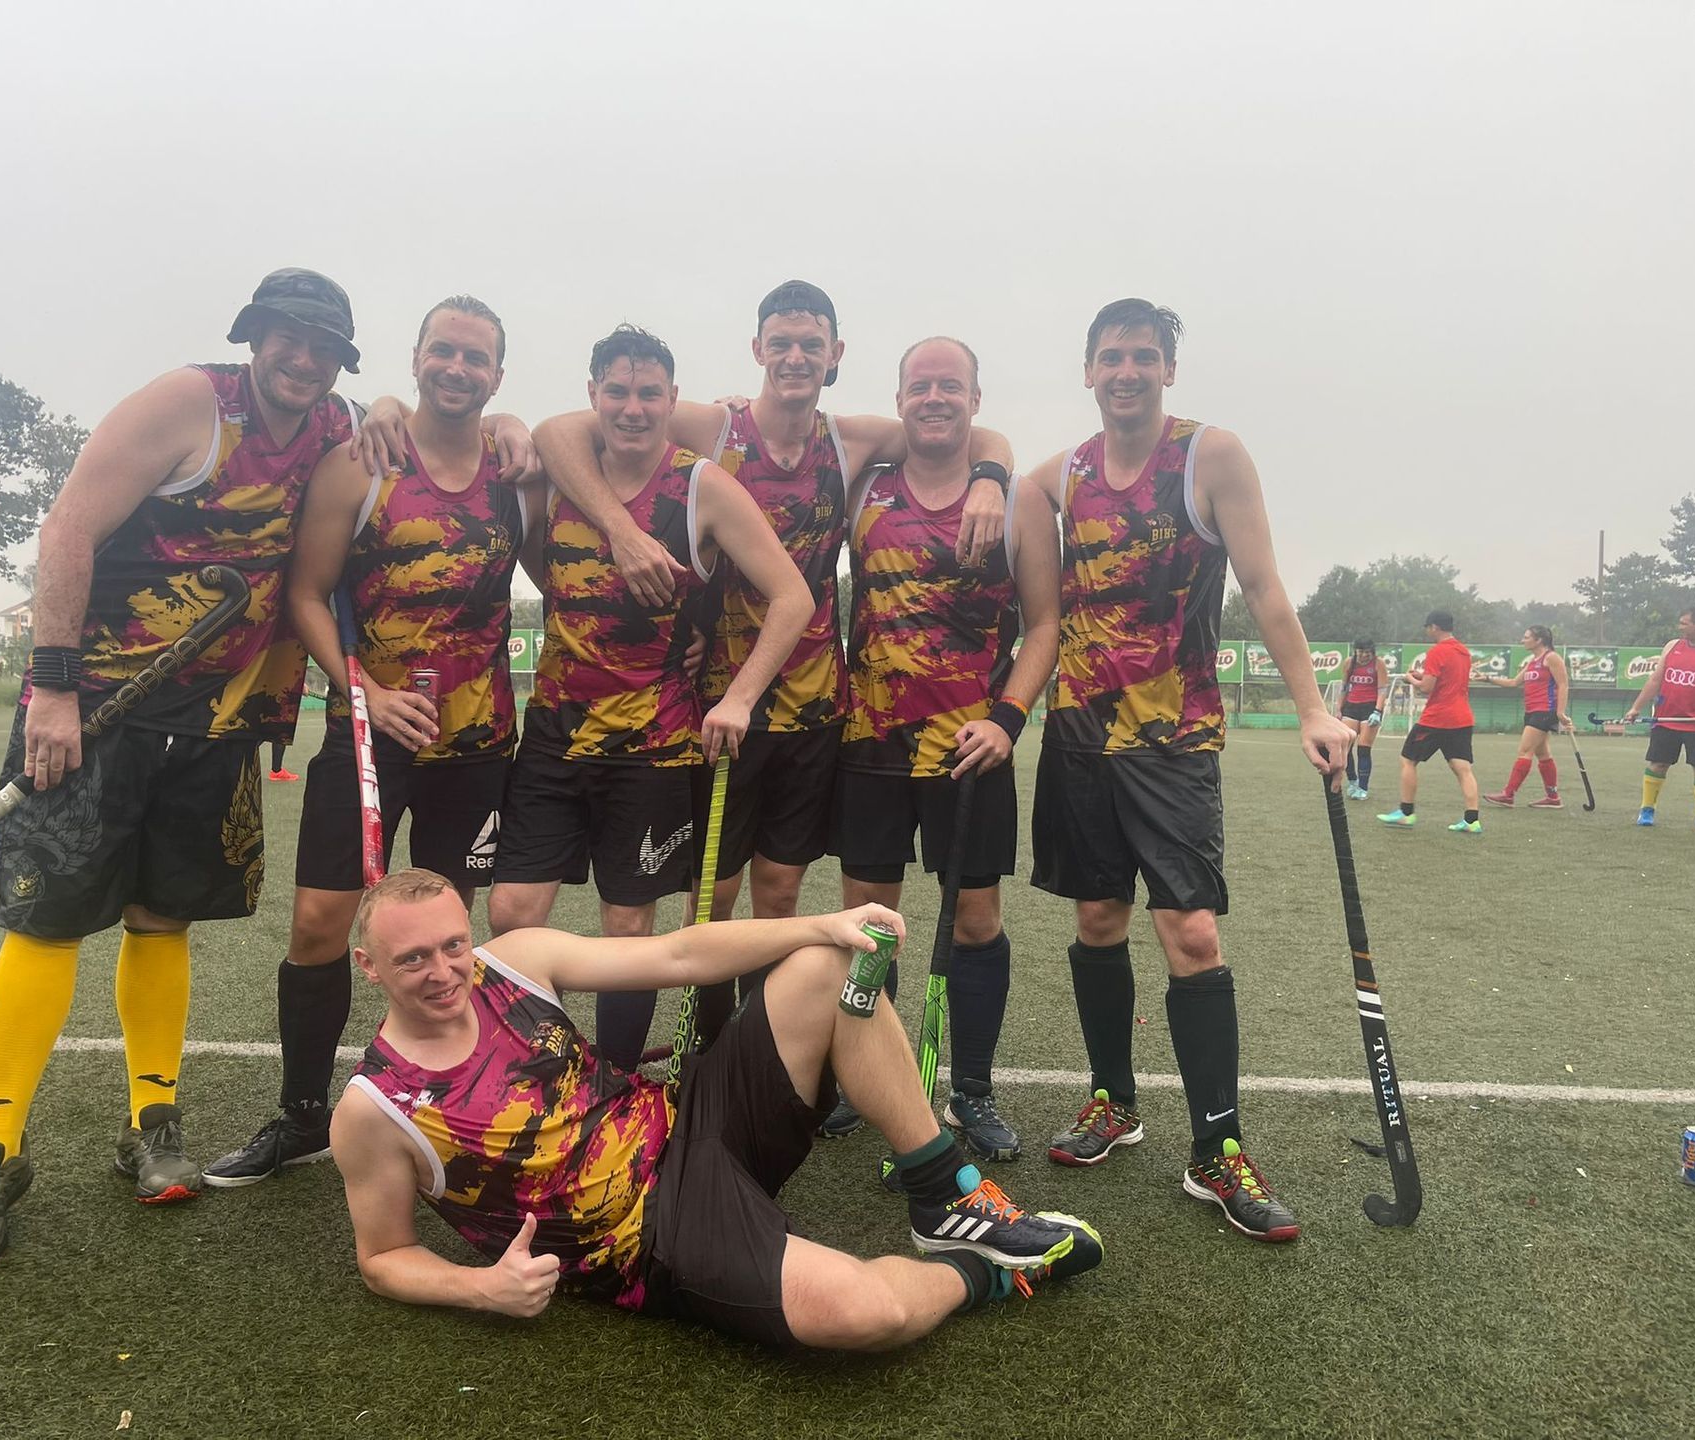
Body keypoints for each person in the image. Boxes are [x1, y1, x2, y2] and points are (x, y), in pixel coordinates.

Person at [0, 268, 416, 1272]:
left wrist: (392, 404)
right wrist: (54, 690)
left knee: (162, 920)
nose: (302, 357)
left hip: (218, 726)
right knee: (49, 919)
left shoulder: (333, 428)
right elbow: (67, 528)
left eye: (324, 346)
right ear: (253, 336)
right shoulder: (190, 404)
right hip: (96, 712)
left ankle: (150, 1125)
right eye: (286, 336)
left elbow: (388, 420)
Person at [331, 868, 1104, 1349]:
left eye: (453, 946)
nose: (445, 972)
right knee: (862, 1314)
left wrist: (819, 925)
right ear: (368, 967)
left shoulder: (515, 963)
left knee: (828, 965)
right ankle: (988, 1272)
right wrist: (480, 1288)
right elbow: (382, 1257)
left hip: (690, 1117)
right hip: (653, 1237)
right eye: (414, 959)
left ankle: (942, 1197)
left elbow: (676, 955)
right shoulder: (375, 1109)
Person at [532, 283, 1014, 1053]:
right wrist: (620, 529)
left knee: (781, 894)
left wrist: (992, 476)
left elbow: (963, 428)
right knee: (709, 899)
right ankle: (703, 1048)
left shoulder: (851, 439)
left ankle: (762, 1054)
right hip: (718, 707)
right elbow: (561, 430)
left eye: (811, 344)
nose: (795, 356)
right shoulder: (713, 426)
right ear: (757, 349)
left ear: (834, 356)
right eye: (780, 342)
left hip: (817, 710)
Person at [1027, 298, 1347, 1244]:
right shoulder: (1061, 474)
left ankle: (1218, 1148)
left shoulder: (1211, 456)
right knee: (1096, 919)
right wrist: (982, 495)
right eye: (1109, 358)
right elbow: (1003, 479)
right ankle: (1113, 1103)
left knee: (1192, 932)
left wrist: (1312, 706)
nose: (1126, 371)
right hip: (1079, 734)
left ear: (1167, 369)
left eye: (1143, 357)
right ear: (1086, 371)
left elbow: (1263, 588)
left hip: (1174, 740)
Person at [207, 295, 535, 1186]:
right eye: (444, 352)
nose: (458, 370)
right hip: (367, 739)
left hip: (475, 747)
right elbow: (306, 594)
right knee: (319, 921)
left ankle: (456, 1101)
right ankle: (302, 1114)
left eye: (477, 359)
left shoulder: (514, 467)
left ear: (497, 376)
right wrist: (367, 694)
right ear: (418, 358)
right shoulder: (365, 463)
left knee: (444, 939)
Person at [487, 326, 811, 1070]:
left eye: (649, 393)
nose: (632, 409)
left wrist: (737, 698)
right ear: (593, 394)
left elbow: (791, 597)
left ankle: (614, 1083)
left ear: (672, 399)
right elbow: (552, 568)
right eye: (617, 392)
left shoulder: (702, 486)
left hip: (652, 749)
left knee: (628, 925)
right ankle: (539, 1072)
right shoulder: (561, 476)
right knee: (511, 915)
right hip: (554, 735)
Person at [825, 338, 1061, 1161]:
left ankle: (972, 1090)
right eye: (919, 386)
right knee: (871, 924)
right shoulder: (863, 485)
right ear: (898, 398)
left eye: (950, 386)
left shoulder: (1020, 497)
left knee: (975, 919)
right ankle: (868, 1077)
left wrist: (1008, 719)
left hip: (970, 752)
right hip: (869, 742)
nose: (935, 398)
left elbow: (1046, 626)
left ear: (975, 396)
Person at [1378, 611, 1481, 833]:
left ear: (1434, 627)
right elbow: (1447, 677)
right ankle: (1472, 820)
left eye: (1428, 628)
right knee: (1463, 768)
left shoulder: (1436, 651)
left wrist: (1411, 679)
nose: (1427, 631)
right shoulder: (1463, 651)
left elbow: (1426, 687)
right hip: (1462, 717)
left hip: (1438, 717)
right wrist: (1423, 674)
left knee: (1407, 760)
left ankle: (1406, 813)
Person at [1620, 604, 1695, 829]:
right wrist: (1636, 707)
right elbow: (1655, 681)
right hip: (1666, 719)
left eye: (1685, 623)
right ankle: (1647, 809)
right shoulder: (1672, 646)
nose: (1680, 627)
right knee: (1658, 764)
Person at [1482, 626, 1573, 808]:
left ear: (1538, 640)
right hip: (1531, 711)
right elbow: (1513, 682)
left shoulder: (1552, 658)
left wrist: (1560, 712)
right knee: (1543, 754)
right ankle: (1553, 798)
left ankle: (1508, 794)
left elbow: (1563, 685)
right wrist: (1487, 678)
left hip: (1544, 711)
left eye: (1526, 637)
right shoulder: (1532, 662)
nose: (1522, 640)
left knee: (1525, 751)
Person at [1336, 639, 1390, 799]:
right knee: (1345, 746)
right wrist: (1339, 708)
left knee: (1363, 749)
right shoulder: (1349, 663)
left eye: (1367, 652)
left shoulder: (1378, 664)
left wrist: (1377, 711)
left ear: (1372, 653)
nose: (1364, 656)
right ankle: (1353, 781)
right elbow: (1344, 688)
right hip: (1351, 707)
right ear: (1356, 651)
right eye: (1361, 652)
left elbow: (1382, 690)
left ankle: (1363, 788)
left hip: (1370, 708)